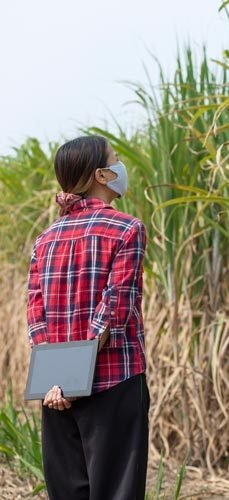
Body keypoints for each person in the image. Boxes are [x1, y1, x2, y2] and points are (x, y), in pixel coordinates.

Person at [26, 135, 149, 500]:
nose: (120, 166)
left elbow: (36, 316)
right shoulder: (127, 229)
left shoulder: (44, 239)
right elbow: (114, 310)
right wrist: (73, 377)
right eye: (115, 160)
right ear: (101, 175)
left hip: (55, 395)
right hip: (114, 382)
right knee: (117, 492)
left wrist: (58, 383)